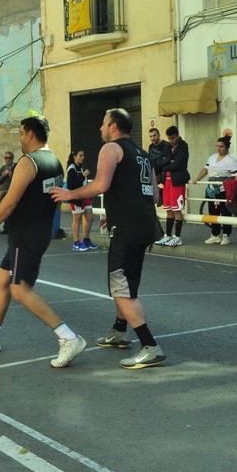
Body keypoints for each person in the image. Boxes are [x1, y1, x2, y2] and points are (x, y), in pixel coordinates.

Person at [0, 115, 87, 368]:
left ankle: (68, 337)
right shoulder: (55, 162)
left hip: (26, 235)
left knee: (20, 289)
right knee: (3, 277)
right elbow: (54, 200)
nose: (20, 138)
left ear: (30, 134)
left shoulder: (28, 161)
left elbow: (10, 200)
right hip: (37, 231)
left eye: (21, 133)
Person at [50, 108, 168, 369]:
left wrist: (69, 194)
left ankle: (150, 346)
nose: (100, 129)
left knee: (120, 286)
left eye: (103, 124)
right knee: (126, 282)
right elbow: (155, 196)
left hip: (129, 227)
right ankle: (119, 331)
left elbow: (101, 185)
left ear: (113, 126)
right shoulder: (143, 154)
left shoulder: (111, 149)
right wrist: (116, 212)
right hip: (145, 224)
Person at [191, 135, 237, 245]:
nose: (219, 148)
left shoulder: (231, 161)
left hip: (223, 190)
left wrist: (234, 190)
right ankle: (215, 235)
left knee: (225, 212)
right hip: (211, 190)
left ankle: (226, 235)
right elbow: (205, 169)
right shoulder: (212, 158)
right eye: (217, 146)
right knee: (213, 211)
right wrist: (197, 179)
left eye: (221, 146)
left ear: (226, 147)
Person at [155, 125, 189, 247]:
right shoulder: (167, 146)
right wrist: (169, 161)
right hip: (167, 181)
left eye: (173, 138)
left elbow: (179, 164)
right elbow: (159, 161)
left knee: (176, 210)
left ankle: (178, 237)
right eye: (169, 138)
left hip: (177, 181)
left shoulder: (183, 146)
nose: (171, 141)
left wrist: (166, 164)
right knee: (168, 209)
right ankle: (167, 235)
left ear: (177, 136)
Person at [65, 150, 97, 251]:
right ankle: (76, 242)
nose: (83, 157)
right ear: (74, 157)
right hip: (76, 197)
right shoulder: (72, 168)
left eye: (83, 155)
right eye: (80, 155)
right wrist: (83, 175)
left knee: (90, 218)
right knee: (77, 219)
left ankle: (86, 240)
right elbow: (71, 185)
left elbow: (84, 183)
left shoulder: (82, 167)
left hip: (85, 195)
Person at [147, 127, 171, 204]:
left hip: (162, 172)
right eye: (150, 136)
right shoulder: (151, 146)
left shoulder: (166, 145)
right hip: (153, 172)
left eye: (154, 135)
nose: (152, 138)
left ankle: (160, 194)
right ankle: (160, 192)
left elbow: (167, 160)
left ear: (159, 135)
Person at [0, 151, 16, 232]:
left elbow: (20, 180)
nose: (8, 160)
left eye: (9, 158)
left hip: (14, 192)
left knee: (14, 211)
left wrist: (12, 176)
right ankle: (6, 228)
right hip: (5, 192)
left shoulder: (16, 166)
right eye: (6, 158)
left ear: (12, 158)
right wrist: (2, 176)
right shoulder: (3, 168)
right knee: (4, 211)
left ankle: (14, 228)